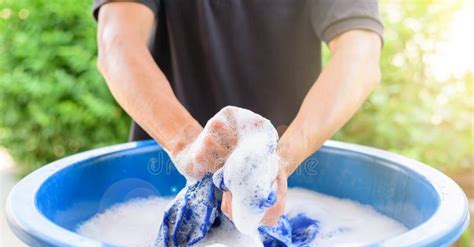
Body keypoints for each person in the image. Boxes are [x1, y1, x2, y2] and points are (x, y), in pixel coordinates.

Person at [93, 0, 382, 226]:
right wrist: (187, 143)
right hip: (161, 189)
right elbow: (117, 42)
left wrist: (279, 159)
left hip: (286, 195)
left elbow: (360, 55)